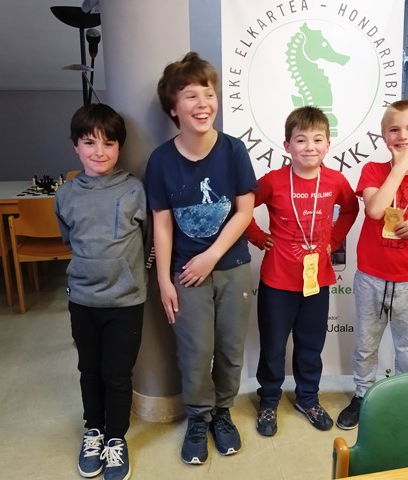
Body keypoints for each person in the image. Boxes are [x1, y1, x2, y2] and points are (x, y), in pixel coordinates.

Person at [144, 52, 257, 465]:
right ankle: (198, 418)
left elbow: (244, 212)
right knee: (194, 351)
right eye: (191, 95)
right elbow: (162, 224)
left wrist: (211, 256)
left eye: (208, 93)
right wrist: (164, 280)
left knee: (229, 348)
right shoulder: (161, 160)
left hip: (231, 266)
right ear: (174, 108)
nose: (203, 103)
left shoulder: (233, 150)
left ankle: (222, 413)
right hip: (185, 274)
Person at [336, 100, 408, 430]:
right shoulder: (374, 171)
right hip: (372, 277)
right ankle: (362, 394)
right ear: (384, 136)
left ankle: (405, 398)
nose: (403, 136)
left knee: (407, 348)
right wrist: (400, 168)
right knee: (366, 344)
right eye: (394, 130)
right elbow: (375, 210)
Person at [246, 106, 359, 436]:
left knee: (311, 345)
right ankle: (269, 400)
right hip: (277, 281)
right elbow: (242, 207)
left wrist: (333, 240)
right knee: (273, 346)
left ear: (328, 144)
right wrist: (258, 237)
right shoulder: (273, 181)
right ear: (287, 145)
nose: (310, 146)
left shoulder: (335, 180)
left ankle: (307, 398)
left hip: (317, 281)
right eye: (301, 140)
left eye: (318, 139)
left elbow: (350, 210)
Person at [55, 104, 147, 480]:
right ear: (76, 146)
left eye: (109, 143)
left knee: (117, 374)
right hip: (82, 300)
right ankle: (93, 429)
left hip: (125, 301)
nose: (99, 151)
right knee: (89, 370)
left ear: (119, 148)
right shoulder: (65, 194)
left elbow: (147, 240)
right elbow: (69, 240)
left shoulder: (134, 189)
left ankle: (115, 438)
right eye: (89, 142)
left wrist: (128, 272)